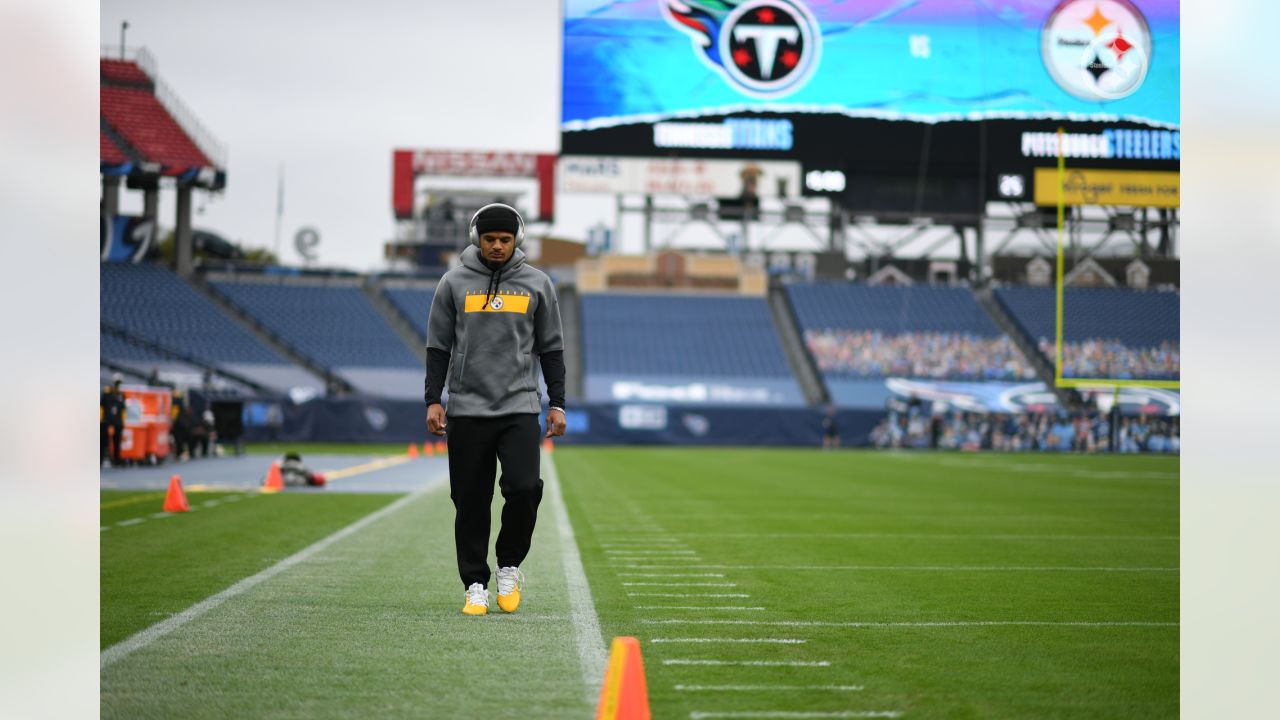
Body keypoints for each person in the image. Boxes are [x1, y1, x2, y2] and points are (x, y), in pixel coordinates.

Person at [424, 203, 567, 616]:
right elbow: (437, 347)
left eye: (505, 239)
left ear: (517, 239)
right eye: (490, 239)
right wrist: (434, 398)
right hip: (467, 408)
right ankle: (474, 583)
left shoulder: (539, 284)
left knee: (524, 488)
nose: (498, 246)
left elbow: (552, 348)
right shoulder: (452, 284)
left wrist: (556, 402)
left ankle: (508, 565)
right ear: (477, 239)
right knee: (470, 500)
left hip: (520, 405)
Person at [100, 374, 125, 467]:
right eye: (116, 383)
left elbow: (123, 410)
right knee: (103, 443)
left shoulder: (121, 395)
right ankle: (101, 460)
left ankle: (116, 460)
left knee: (117, 443)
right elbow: (102, 407)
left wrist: (122, 422)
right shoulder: (107, 394)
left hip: (117, 423)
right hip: (106, 422)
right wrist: (101, 421)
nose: (118, 386)